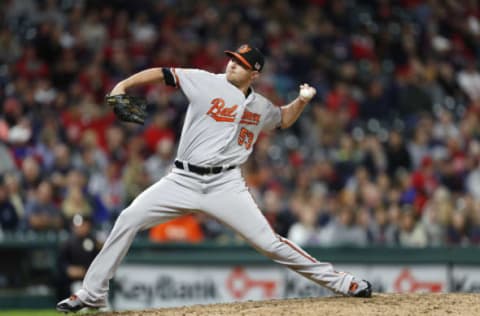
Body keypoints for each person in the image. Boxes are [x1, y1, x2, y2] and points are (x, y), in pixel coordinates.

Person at [57, 44, 372, 312]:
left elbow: (282, 119)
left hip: (226, 184)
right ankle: (93, 293)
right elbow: (163, 73)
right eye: (233, 59)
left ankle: (343, 282)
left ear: (255, 74)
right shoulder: (205, 81)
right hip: (182, 179)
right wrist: (121, 87)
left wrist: (301, 101)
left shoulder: (260, 105)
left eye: (242, 64)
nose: (233, 64)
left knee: (270, 244)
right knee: (128, 218)